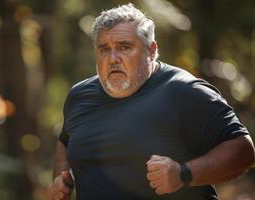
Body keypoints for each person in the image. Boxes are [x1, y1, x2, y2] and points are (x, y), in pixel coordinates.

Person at [47, 3, 255, 200]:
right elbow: (65, 141)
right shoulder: (79, 96)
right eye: (104, 49)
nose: (112, 58)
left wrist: (184, 174)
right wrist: (61, 177)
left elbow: (243, 150)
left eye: (124, 47)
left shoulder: (184, 91)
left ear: (151, 50)